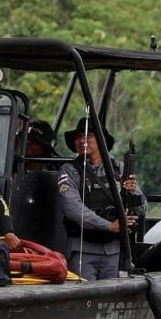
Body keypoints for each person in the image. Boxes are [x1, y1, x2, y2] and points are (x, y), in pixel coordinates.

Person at [57, 117, 144, 280]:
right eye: (78, 136)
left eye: (88, 135)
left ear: (101, 140)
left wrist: (133, 193)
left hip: (114, 251)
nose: (82, 140)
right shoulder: (69, 171)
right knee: (82, 298)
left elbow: (142, 208)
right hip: (82, 250)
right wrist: (109, 226)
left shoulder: (119, 169)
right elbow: (73, 209)